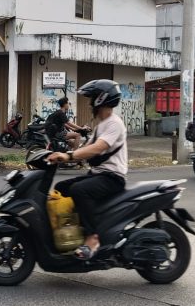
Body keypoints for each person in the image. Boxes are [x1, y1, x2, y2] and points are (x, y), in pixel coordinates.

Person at [47, 80, 127, 260]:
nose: (90, 104)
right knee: (61, 187)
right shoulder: (101, 126)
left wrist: (68, 156)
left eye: (91, 99)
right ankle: (73, 231)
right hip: (99, 175)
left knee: (79, 190)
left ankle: (92, 238)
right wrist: (57, 155)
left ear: (101, 100)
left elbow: (97, 148)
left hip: (112, 178)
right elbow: (85, 149)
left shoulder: (114, 123)